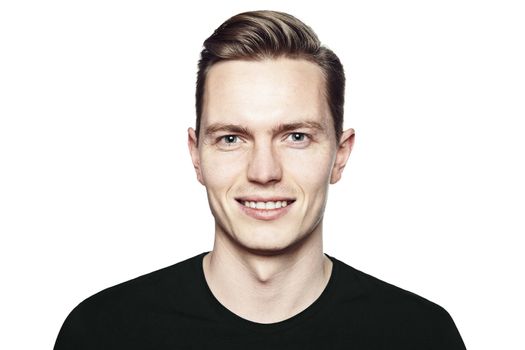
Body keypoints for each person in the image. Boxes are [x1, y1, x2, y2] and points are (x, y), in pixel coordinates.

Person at [54, 10, 466, 349]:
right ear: (196, 155)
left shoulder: (420, 336)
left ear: (340, 155)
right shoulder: (102, 333)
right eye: (232, 138)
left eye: (296, 137)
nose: (263, 172)